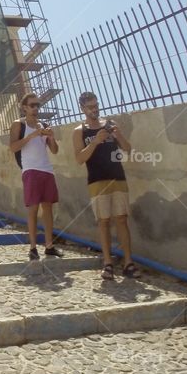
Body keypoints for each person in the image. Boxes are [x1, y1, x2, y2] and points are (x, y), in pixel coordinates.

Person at [71, 91, 139, 280]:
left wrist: (118, 135)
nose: (94, 109)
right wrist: (95, 142)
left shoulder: (110, 124)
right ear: (82, 109)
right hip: (97, 180)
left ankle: (128, 263)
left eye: (96, 105)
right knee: (103, 221)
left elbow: (128, 149)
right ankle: (107, 263)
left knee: (122, 219)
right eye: (90, 107)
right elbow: (79, 159)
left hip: (117, 177)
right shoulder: (79, 131)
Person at [9, 93, 64, 260]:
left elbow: (54, 150)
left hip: (47, 170)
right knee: (33, 209)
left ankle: (49, 246)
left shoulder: (44, 125)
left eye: (37, 105)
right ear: (24, 107)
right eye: (32, 105)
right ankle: (33, 248)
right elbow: (13, 147)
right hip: (30, 170)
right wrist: (32, 135)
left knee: (48, 209)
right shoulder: (19, 124)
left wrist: (51, 137)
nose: (36, 108)